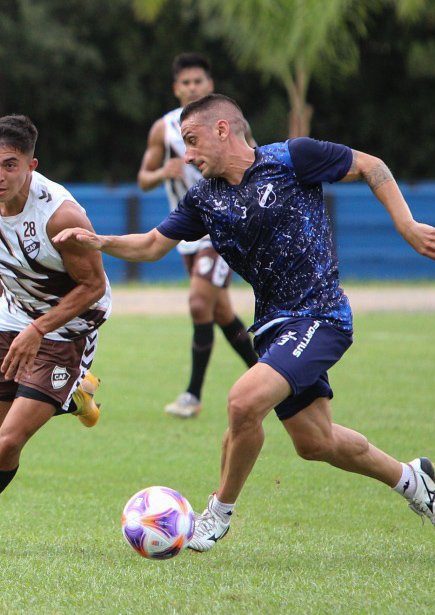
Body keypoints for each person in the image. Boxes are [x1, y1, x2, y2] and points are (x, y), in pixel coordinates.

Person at [55, 94, 435, 551]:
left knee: (243, 402)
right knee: (315, 441)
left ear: (223, 129)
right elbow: (150, 245)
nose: (187, 155)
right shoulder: (203, 199)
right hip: (271, 327)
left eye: (192, 141)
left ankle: (218, 514)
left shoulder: (292, 158)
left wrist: (406, 225)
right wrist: (97, 240)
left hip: (320, 315)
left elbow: (370, 165)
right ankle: (412, 480)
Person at [0, 115, 111, 556]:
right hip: (14, 316)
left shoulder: (60, 216)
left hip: (70, 324)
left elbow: (94, 287)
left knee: (9, 442)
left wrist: (38, 330)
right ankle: (73, 395)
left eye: (10, 165)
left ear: (32, 165)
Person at [137, 53, 258, 419]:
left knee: (197, 303)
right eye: (185, 83)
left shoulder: (229, 123)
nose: (192, 87)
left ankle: (192, 395)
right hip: (187, 232)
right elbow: (143, 179)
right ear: (176, 89)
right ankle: (270, 375)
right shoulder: (164, 129)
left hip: (223, 226)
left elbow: (254, 161)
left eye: (198, 81)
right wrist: (163, 172)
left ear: (210, 85)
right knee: (220, 311)